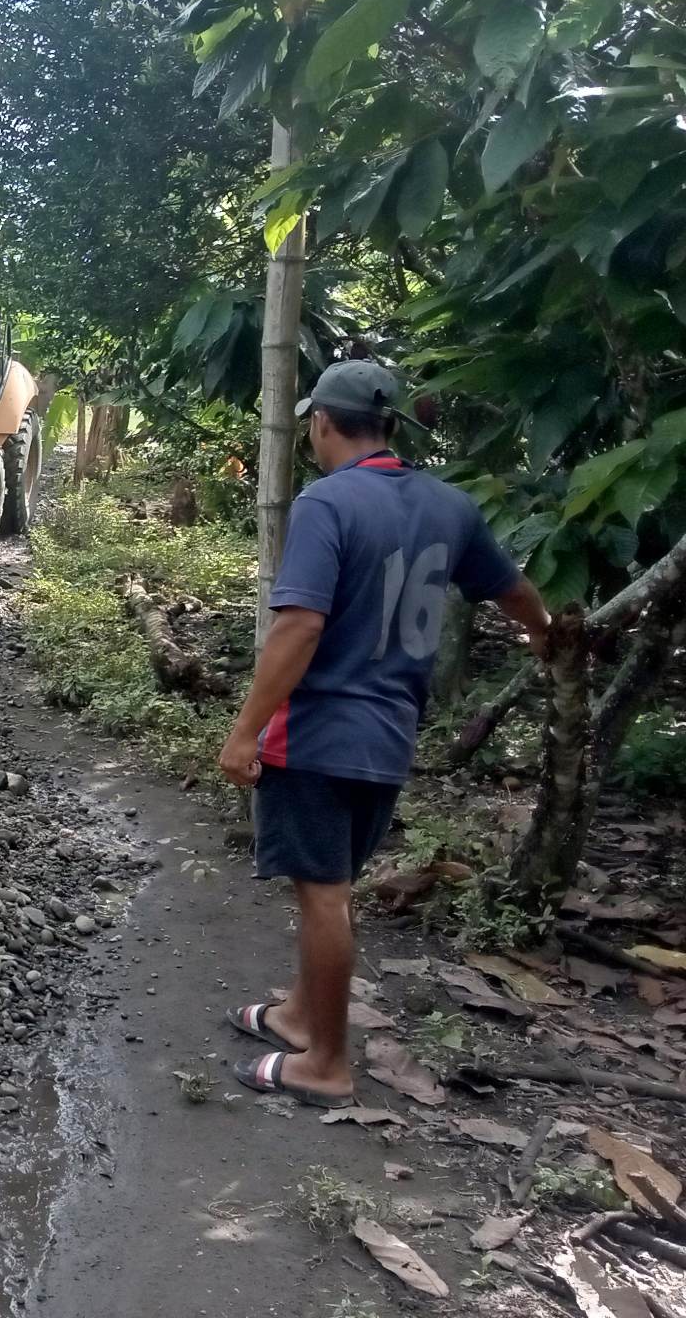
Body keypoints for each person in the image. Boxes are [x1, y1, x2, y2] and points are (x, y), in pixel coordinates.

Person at [217, 359, 549, 1106]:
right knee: (329, 885)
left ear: (321, 423)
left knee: (323, 896)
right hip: (390, 734)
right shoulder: (449, 505)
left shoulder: (327, 503)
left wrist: (244, 731)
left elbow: (299, 626)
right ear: (388, 425)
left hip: (318, 732)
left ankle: (326, 1064)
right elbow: (512, 588)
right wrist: (546, 634)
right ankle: (301, 1015)